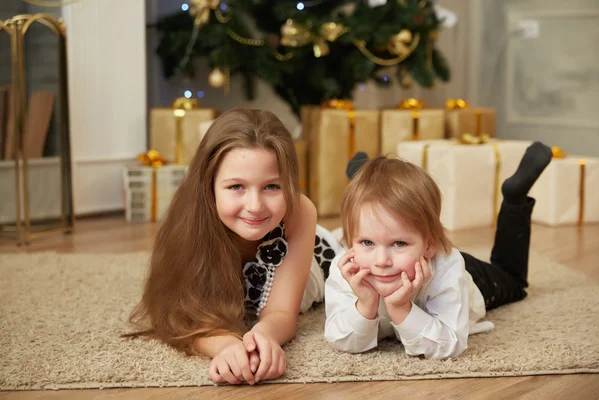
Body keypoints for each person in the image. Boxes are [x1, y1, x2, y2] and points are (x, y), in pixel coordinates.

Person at [124, 108, 340, 384]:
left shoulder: (300, 211)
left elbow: (282, 312)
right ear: (209, 186)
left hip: (313, 255)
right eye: (236, 186)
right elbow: (178, 314)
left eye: (272, 187)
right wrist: (225, 346)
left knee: (357, 253)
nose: (254, 206)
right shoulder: (190, 220)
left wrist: (263, 338)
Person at [324, 142, 553, 359]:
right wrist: (365, 305)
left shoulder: (448, 268)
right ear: (350, 241)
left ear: (429, 243)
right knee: (378, 209)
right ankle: (365, 174)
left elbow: (450, 343)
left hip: (468, 276)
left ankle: (514, 200)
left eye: (399, 243)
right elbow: (340, 339)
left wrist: (401, 308)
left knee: (513, 281)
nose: (381, 261)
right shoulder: (347, 266)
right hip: (414, 256)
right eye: (367, 242)